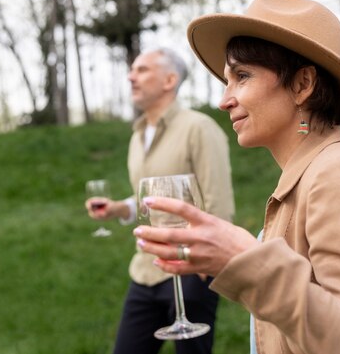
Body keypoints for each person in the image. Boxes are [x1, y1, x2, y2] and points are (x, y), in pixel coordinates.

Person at [133, 0, 340, 354]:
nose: (224, 99)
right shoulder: (310, 174)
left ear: (302, 84)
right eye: (227, 80)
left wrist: (245, 261)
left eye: (242, 76)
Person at [85, 47, 235, 354]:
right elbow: (150, 197)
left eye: (142, 70)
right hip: (145, 270)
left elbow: (217, 200)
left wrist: (205, 269)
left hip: (191, 270)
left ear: (169, 80)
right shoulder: (137, 135)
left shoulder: (199, 127)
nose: (131, 76)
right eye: (132, 70)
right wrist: (120, 208)